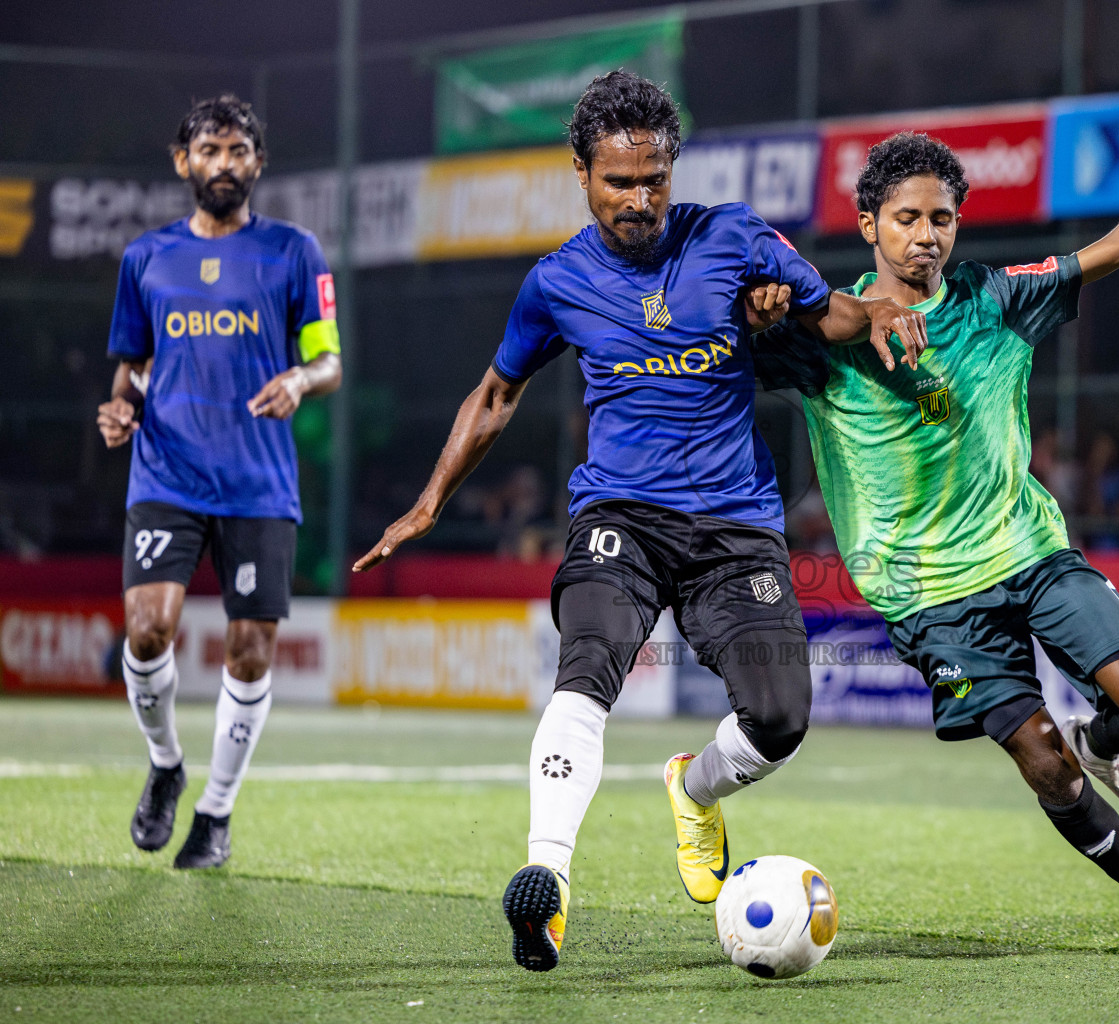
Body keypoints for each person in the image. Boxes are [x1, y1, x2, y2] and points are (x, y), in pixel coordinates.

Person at [352, 71, 925, 972]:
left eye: (655, 177)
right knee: (587, 668)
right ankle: (547, 886)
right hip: (618, 511)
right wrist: (429, 502)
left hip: (736, 524)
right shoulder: (556, 282)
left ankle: (694, 792)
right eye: (620, 181)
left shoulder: (733, 235)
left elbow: (828, 314)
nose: (641, 198)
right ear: (580, 172)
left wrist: (879, 312)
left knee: (780, 717)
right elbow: (499, 392)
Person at [752, 82, 1119, 956]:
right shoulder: (826, 334)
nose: (926, 235)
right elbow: (726, 335)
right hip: (929, 597)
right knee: (1042, 757)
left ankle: (1108, 746)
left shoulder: (997, 299)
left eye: (942, 218)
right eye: (906, 218)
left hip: (1031, 551)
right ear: (869, 225)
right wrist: (760, 305)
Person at [96, 95, 342, 869]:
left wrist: (301, 383)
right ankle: (167, 764)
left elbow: (330, 360)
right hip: (167, 470)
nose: (225, 164)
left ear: (257, 163)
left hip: (258, 483)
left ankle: (216, 812)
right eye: (210, 151)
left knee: (250, 649)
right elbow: (132, 365)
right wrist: (120, 407)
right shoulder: (147, 259)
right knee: (147, 629)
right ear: (184, 162)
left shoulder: (295, 252)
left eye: (238, 151)